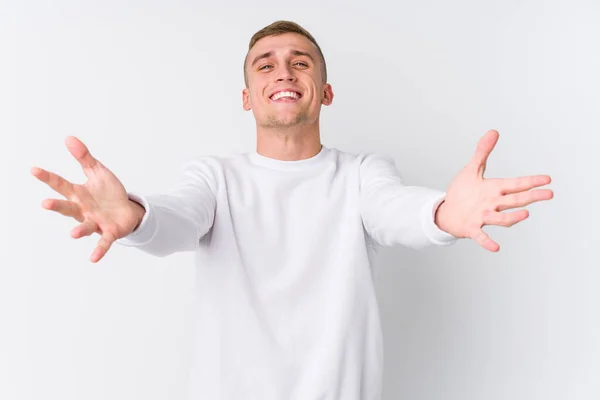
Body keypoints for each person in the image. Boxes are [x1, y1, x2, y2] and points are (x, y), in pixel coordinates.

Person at [31, 20, 553, 400]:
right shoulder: (215, 177)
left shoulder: (361, 173)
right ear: (247, 97)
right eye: (267, 64)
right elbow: (178, 218)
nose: (284, 70)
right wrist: (135, 216)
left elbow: (393, 209)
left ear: (323, 92)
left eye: (300, 63)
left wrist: (442, 214)